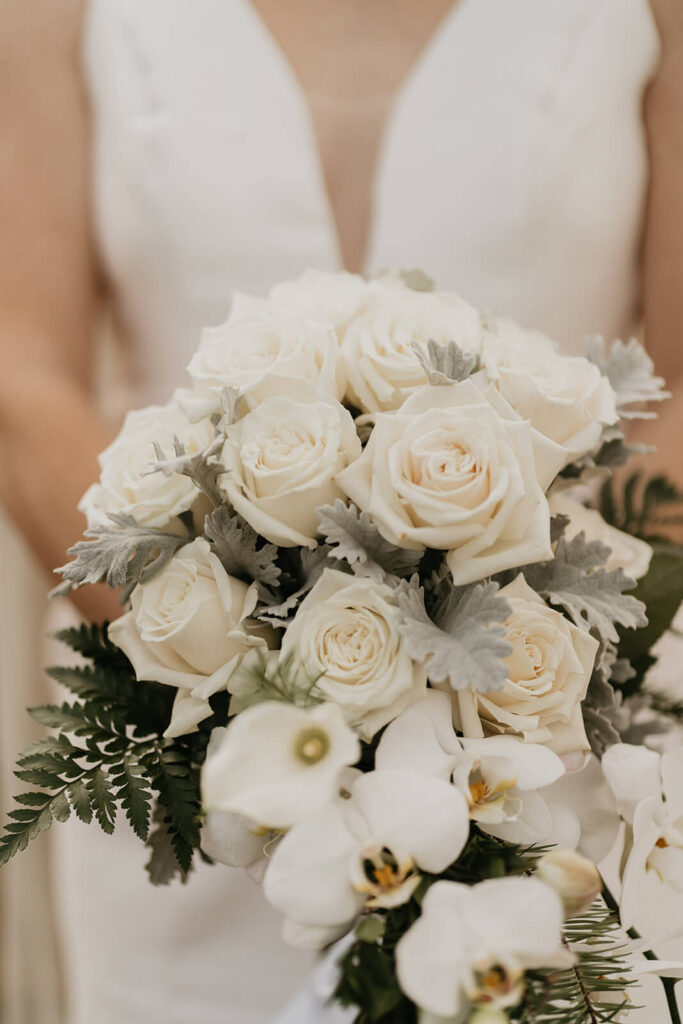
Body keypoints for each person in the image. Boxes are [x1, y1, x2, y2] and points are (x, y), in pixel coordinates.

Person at [0, 1, 681, 1021]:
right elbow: (23, 379)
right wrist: (246, 682)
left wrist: (484, 686)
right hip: (195, 781)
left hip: (545, 755)